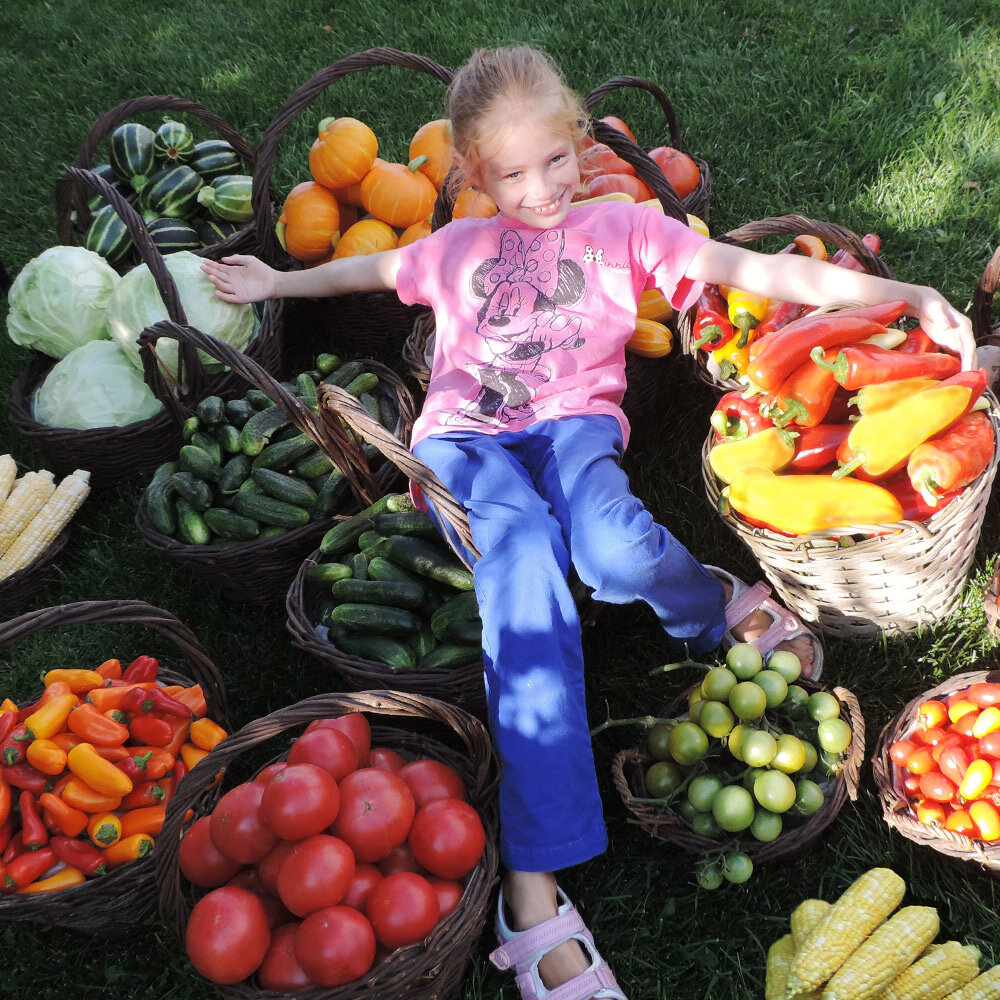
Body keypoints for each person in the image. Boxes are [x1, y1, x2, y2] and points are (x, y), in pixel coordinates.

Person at [202, 46, 976, 1000]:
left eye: (556, 161)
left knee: (610, 542)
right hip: (466, 445)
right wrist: (270, 285)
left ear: (578, 141)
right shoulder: (455, 251)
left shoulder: (622, 228)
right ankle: (533, 881)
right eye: (512, 174)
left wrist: (905, 297)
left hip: (572, 429)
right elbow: (358, 271)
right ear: (474, 176)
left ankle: (715, 603)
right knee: (521, 559)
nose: (539, 190)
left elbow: (758, 270)